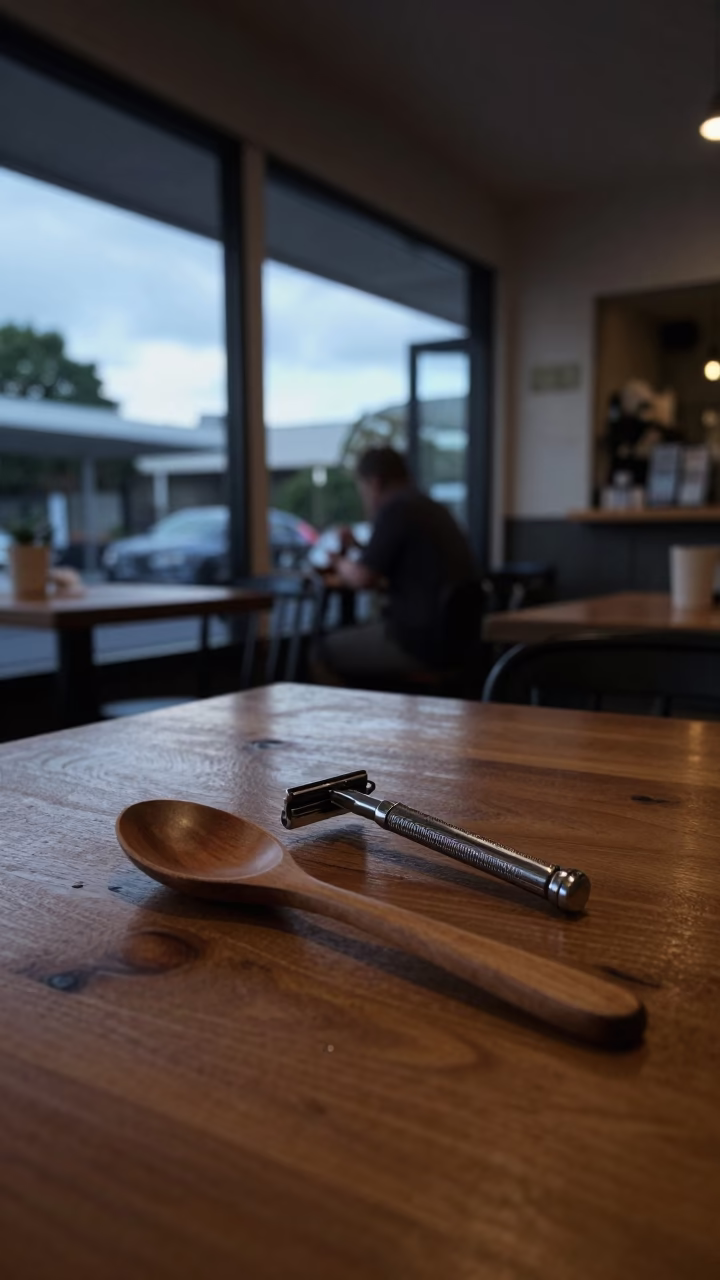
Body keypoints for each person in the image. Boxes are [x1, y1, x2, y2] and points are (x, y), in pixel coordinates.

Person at [313, 446, 480, 686]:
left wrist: (337, 561)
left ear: (374, 483)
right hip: (456, 641)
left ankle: (354, 710)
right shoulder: (430, 507)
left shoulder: (396, 509)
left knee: (321, 652)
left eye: (362, 488)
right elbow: (395, 565)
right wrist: (357, 546)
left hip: (417, 642)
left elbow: (363, 578)